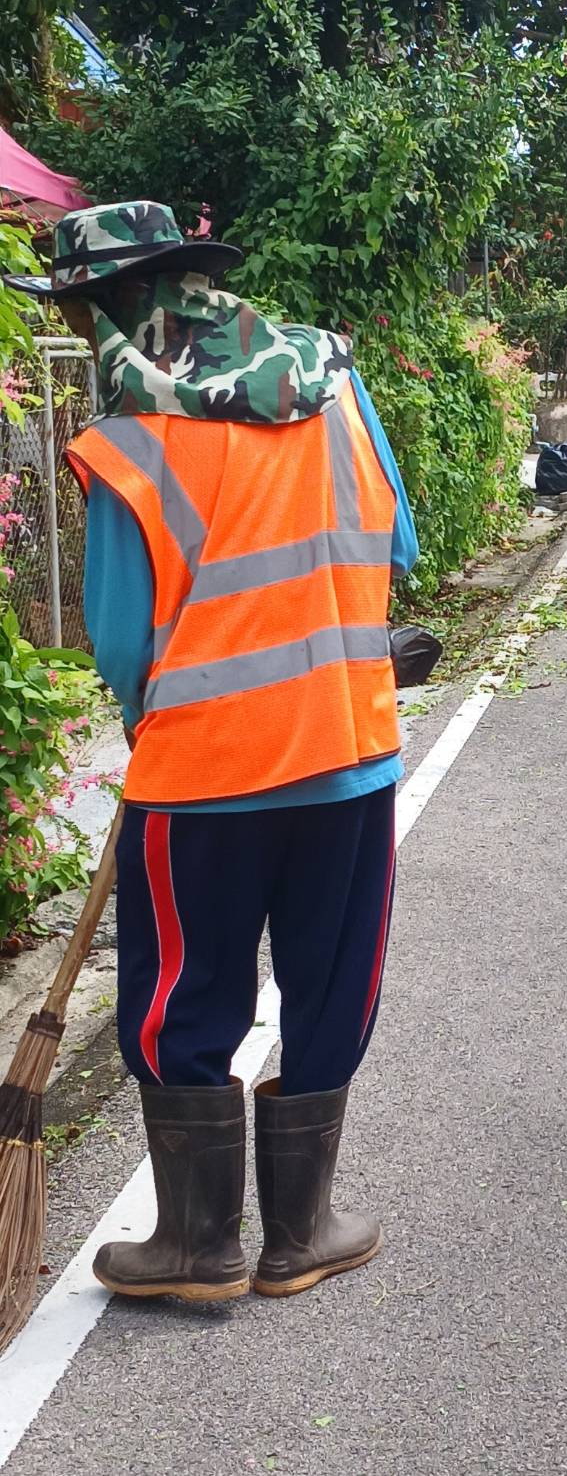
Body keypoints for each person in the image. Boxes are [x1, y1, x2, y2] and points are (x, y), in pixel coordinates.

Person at [6, 201, 419, 1302]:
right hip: (347, 751)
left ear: (109, 314)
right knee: (329, 983)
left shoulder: (129, 440)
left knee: (187, 992)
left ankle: (197, 1245)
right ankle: (303, 1231)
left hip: (203, 781)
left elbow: (120, 637)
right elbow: (396, 542)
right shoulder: (332, 381)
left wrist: (161, 704)